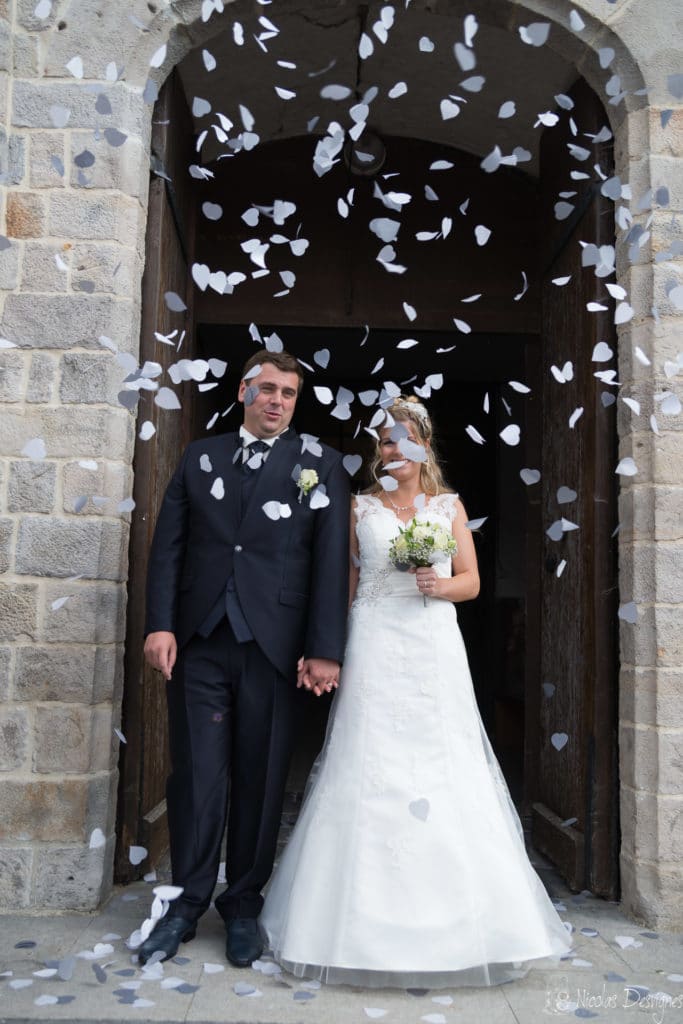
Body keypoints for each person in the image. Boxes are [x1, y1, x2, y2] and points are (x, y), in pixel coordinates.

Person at [261, 395, 572, 987]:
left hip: (433, 647)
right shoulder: (359, 509)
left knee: (442, 764)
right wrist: (330, 651)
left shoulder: (449, 507)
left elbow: (474, 581)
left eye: (404, 439)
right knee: (368, 764)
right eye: (384, 441)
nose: (393, 449)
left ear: (424, 445)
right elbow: (345, 586)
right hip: (375, 643)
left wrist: (440, 585)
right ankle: (350, 924)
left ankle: (463, 922)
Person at [139, 349, 350, 967]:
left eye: (287, 392)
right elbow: (169, 548)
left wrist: (325, 650)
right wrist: (160, 625)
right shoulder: (198, 457)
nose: (276, 400)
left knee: (260, 777)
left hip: (275, 649)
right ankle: (185, 903)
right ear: (242, 391)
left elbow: (330, 564)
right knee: (197, 774)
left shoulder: (323, 465)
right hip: (200, 644)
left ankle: (243, 904)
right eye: (266, 389)